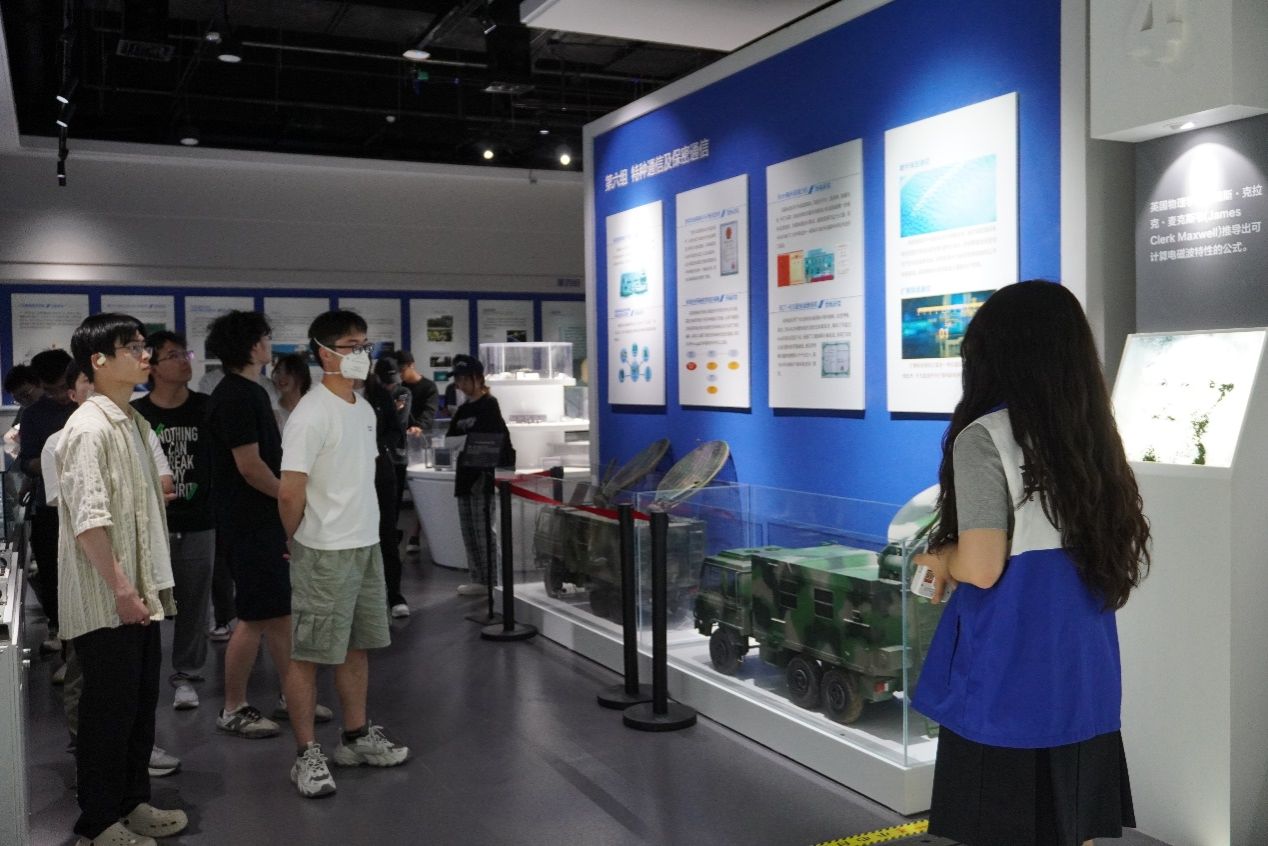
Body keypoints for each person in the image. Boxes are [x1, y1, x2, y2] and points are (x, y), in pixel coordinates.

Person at [909, 281, 1150, 846]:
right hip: (1083, 676)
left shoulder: (985, 438)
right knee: (1072, 827)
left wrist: (942, 556)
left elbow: (983, 566)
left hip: (1006, 677)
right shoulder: (1090, 438)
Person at [54, 313, 188, 845]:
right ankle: (99, 821)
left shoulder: (132, 422)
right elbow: (89, 520)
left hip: (138, 594)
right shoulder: (88, 429)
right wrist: (122, 589)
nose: (144, 354)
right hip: (109, 599)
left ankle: (132, 803)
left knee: (136, 708)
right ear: (99, 360)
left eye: (143, 345)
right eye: (131, 347)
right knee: (107, 714)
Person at [278, 309, 409, 798]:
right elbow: (290, 491)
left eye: (364, 345)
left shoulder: (363, 408)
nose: (361, 354)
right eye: (352, 346)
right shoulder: (310, 414)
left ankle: (355, 736)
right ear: (324, 352)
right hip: (324, 550)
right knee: (309, 653)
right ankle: (306, 754)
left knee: (357, 646)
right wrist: (294, 538)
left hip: (364, 544)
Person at [204, 311, 325, 739]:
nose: (269, 345)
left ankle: (292, 695)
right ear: (255, 345)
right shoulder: (240, 395)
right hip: (250, 521)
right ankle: (233, 706)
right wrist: (288, 497)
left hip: (254, 520)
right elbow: (250, 465)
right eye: (266, 338)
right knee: (256, 616)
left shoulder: (244, 392)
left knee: (278, 614)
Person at [132, 331, 216, 711]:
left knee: (195, 603)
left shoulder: (206, 408)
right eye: (173, 355)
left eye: (186, 354)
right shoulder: (138, 414)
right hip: (151, 523)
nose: (184, 361)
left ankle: (186, 672)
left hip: (199, 519)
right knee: (146, 603)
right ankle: (142, 672)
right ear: (152, 366)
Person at [18, 349, 76, 653]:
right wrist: (51, 461)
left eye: (64, 387)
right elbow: (26, 462)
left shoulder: (87, 405)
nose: (61, 396)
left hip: (86, 504)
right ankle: (59, 629)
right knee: (53, 574)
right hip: (50, 506)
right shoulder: (33, 414)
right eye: (52, 391)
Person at [444, 354, 514, 596]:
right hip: (465, 475)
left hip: (483, 476)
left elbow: (491, 440)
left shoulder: (489, 405)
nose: (460, 385)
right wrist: (468, 441)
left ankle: (493, 580)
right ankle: (478, 578)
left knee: (484, 531)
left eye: (465, 379)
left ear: (477, 379)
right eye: (458, 380)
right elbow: (450, 440)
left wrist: (467, 441)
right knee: (469, 530)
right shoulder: (463, 409)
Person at [365, 357, 411, 617]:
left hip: (380, 471)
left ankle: (394, 594)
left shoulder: (379, 394)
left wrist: (379, 448)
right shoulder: (337, 397)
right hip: (349, 474)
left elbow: (395, 429)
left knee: (386, 533)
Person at [390, 349, 438, 434]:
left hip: (422, 434)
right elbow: (401, 405)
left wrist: (418, 426)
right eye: (396, 371)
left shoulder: (429, 387)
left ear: (411, 365)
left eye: (401, 370)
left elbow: (429, 411)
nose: (399, 374)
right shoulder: (401, 388)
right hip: (404, 433)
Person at [271, 351, 312, 430]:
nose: (281, 377)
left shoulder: (314, 408)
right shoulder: (272, 411)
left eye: (288, 372)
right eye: (278, 372)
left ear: (301, 377)